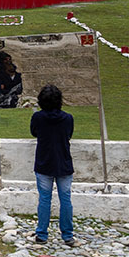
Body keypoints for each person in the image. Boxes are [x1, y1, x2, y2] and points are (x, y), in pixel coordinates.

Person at [30, 84, 78, 246]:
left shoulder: (37, 117)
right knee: (66, 199)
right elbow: (69, 134)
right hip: (63, 162)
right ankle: (67, 234)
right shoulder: (68, 118)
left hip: (44, 162)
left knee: (44, 199)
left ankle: (42, 234)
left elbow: (34, 132)